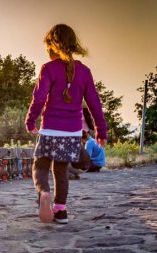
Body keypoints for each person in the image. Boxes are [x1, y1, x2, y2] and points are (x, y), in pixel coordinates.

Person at [25, 24, 108, 224]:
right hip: (71, 133)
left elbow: (39, 98)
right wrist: (101, 130)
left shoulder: (48, 68)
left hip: (50, 129)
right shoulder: (84, 71)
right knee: (60, 170)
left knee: (40, 166)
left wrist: (31, 120)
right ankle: (61, 211)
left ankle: (44, 193)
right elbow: (94, 103)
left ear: (53, 47)